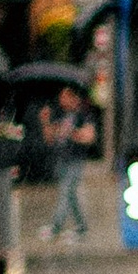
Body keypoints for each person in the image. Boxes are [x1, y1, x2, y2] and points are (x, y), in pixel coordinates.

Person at [42, 82, 92, 243]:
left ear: (73, 97)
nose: (61, 100)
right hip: (61, 159)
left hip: (75, 160)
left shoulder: (83, 115)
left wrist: (71, 132)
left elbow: (88, 137)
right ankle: (82, 227)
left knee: (66, 192)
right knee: (71, 195)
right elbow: (49, 139)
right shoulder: (60, 114)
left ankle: (55, 227)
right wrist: (45, 121)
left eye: (65, 97)